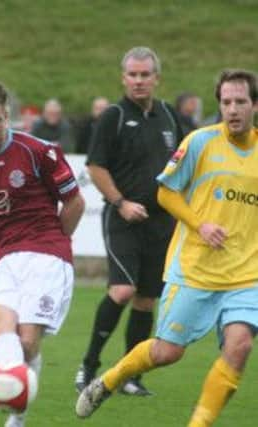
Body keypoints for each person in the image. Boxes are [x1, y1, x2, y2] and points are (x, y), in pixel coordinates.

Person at [75, 68, 258, 426]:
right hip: (195, 269)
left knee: (240, 346)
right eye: (225, 102)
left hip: (247, 274)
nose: (232, 109)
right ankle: (110, 379)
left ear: (255, 105)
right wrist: (199, 223)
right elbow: (166, 192)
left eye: (240, 102)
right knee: (166, 352)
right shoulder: (200, 143)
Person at [0, 79, 85, 427]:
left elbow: (74, 201)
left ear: (7, 115)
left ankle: (14, 413)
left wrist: (56, 244)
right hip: (0, 263)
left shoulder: (39, 150)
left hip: (45, 255)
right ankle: (6, 391)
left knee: (27, 343)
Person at [74, 46, 183, 396]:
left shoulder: (168, 115)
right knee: (122, 290)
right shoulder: (113, 115)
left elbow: (182, 162)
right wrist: (120, 202)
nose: (138, 80)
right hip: (122, 220)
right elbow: (95, 165)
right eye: (132, 75)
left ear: (156, 78)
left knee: (146, 300)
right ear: (124, 78)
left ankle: (129, 376)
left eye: (144, 74)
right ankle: (88, 365)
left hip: (162, 222)